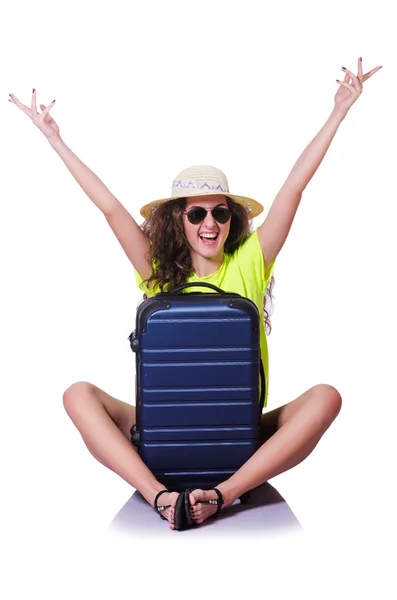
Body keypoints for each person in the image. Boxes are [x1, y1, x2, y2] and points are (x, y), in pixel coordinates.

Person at [9, 57, 382, 530]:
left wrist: (338, 112)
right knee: (76, 394)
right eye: (197, 214)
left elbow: (295, 187)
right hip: (164, 436)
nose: (210, 224)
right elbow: (109, 207)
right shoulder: (158, 273)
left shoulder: (250, 262)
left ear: (233, 220)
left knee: (326, 397)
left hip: (239, 434)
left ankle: (224, 493)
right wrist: (55, 140)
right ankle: (160, 496)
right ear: (178, 220)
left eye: (221, 214)